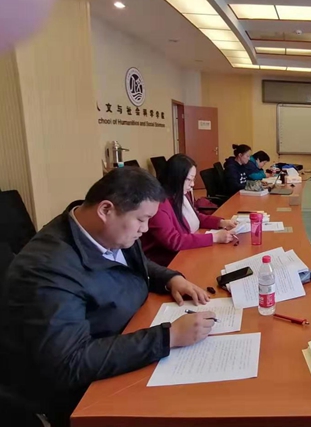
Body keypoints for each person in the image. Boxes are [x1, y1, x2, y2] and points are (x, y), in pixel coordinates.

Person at [0, 168, 217, 426]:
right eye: (142, 219)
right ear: (105, 210)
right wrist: (169, 337)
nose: (146, 229)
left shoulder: (107, 232)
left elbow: (137, 263)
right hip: (84, 392)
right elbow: (70, 362)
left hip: (130, 332)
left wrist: (171, 278)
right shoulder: (46, 269)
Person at [142, 154, 237, 266]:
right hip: (167, 262)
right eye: (189, 179)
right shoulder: (159, 205)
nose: (192, 184)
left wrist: (221, 222)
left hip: (186, 252)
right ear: (175, 178)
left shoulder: (181, 193)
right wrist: (215, 237)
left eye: (193, 179)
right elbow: (173, 241)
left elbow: (195, 216)